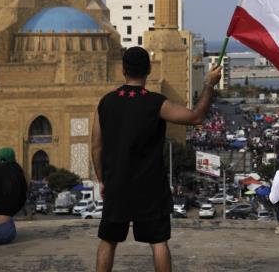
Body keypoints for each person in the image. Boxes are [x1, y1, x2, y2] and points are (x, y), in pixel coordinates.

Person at [91, 46, 222, 272]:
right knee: (158, 242)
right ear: (148, 70)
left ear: (123, 70)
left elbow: (95, 146)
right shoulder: (156, 103)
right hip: (150, 187)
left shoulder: (106, 103)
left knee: (108, 240)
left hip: (117, 184)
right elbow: (196, 116)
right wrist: (209, 84)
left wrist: (102, 179)